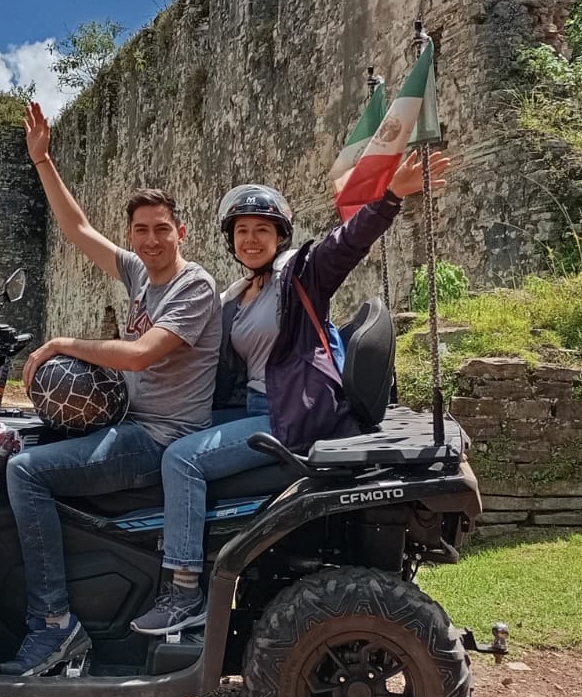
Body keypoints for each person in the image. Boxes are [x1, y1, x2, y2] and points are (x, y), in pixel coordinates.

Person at [129, 150, 451, 636]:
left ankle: (185, 591)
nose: (251, 239)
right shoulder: (236, 297)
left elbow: (346, 243)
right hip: (257, 409)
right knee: (174, 432)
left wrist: (389, 198)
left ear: (280, 236)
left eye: (262, 229)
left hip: (290, 415)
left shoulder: (301, 274)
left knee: (181, 459)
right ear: (231, 240)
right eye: (242, 230)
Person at [0, 102, 223, 676]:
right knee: (16, 444)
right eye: (141, 230)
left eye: (162, 229)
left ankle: (54, 626)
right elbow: (77, 230)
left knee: (25, 473)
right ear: (131, 234)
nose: (151, 240)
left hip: (159, 437)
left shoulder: (193, 286)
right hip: (127, 421)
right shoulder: (140, 274)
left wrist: (62, 343)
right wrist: (42, 160)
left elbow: (143, 353)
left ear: (181, 232)